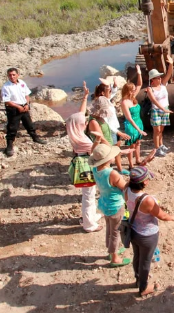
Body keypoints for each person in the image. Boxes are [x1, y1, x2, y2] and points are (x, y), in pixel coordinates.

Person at [124, 166, 174, 296]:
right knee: (146, 261)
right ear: (143, 182)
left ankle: (138, 280)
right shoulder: (146, 199)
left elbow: (128, 183)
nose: (148, 181)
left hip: (133, 231)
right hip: (147, 234)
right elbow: (162, 216)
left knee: (137, 256)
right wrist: (173, 217)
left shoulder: (126, 190)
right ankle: (143, 288)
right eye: (147, 179)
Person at [65, 81, 104, 233]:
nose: (86, 122)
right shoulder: (84, 140)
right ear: (80, 125)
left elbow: (80, 116)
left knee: (89, 194)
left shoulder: (74, 132)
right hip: (87, 166)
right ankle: (89, 224)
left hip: (80, 164)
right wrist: (99, 141)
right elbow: (94, 152)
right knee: (88, 195)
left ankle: (91, 216)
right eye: (85, 122)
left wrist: (85, 97)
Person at [88, 143, 130, 268]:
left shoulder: (96, 169)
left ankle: (111, 250)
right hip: (115, 206)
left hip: (104, 204)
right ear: (108, 159)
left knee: (110, 229)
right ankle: (115, 257)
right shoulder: (112, 174)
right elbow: (124, 187)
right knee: (116, 231)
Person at [1, 67, 47, 156]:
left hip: (24, 107)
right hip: (13, 109)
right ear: (7, 76)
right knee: (12, 128)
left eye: (14, 75)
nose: (12, 77)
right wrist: (18, 107)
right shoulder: (6, 87)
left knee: (29, 124)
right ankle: (9, 146)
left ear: (17, 75)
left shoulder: (21, 83)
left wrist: (27, 104)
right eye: (10, 75)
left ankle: (35, 138)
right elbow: (7, 101)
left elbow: (27, 94)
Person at [88, 96, 126, 173]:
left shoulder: (100, 118)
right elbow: (101, 138)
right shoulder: (94, 122)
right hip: (103, 149)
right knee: (104, 170)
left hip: (108, 146)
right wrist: (111, 150)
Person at [146, 56, 174, 157]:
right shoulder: (150, 89)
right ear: (152, 80)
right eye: (157, 77)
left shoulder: (163, 84)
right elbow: (153, 100)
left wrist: (171, 64)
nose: (160, 78)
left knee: (161, 130)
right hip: (156, 111)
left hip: (165, 109)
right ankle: (157, 148)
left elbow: (169, 74)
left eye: (159, 77)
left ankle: (161, 145)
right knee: (156, 130)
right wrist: (163, 109)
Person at [120, 65, 147, 170]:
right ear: (127, 91)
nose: (134, 90)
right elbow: (129, 118)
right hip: (131, 126)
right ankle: (131, 164)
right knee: (131, 146)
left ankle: (138, 159)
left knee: (138, 143)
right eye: (132, 90)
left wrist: (139, 73)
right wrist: (139, 129)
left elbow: (140, 84)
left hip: (138, 122)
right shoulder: (124, 102)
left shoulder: (133, 97)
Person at [97, 78, 129, 146]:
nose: (111, 92)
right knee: (113, 150)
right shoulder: (103, 105)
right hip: (111, 131)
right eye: (109, 91)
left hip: (115, 129)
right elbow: (106, 122)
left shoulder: (107, 100)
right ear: (103, 93)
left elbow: (113, 92)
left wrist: (114, 85)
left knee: (117, 149)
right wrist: (119, 133)